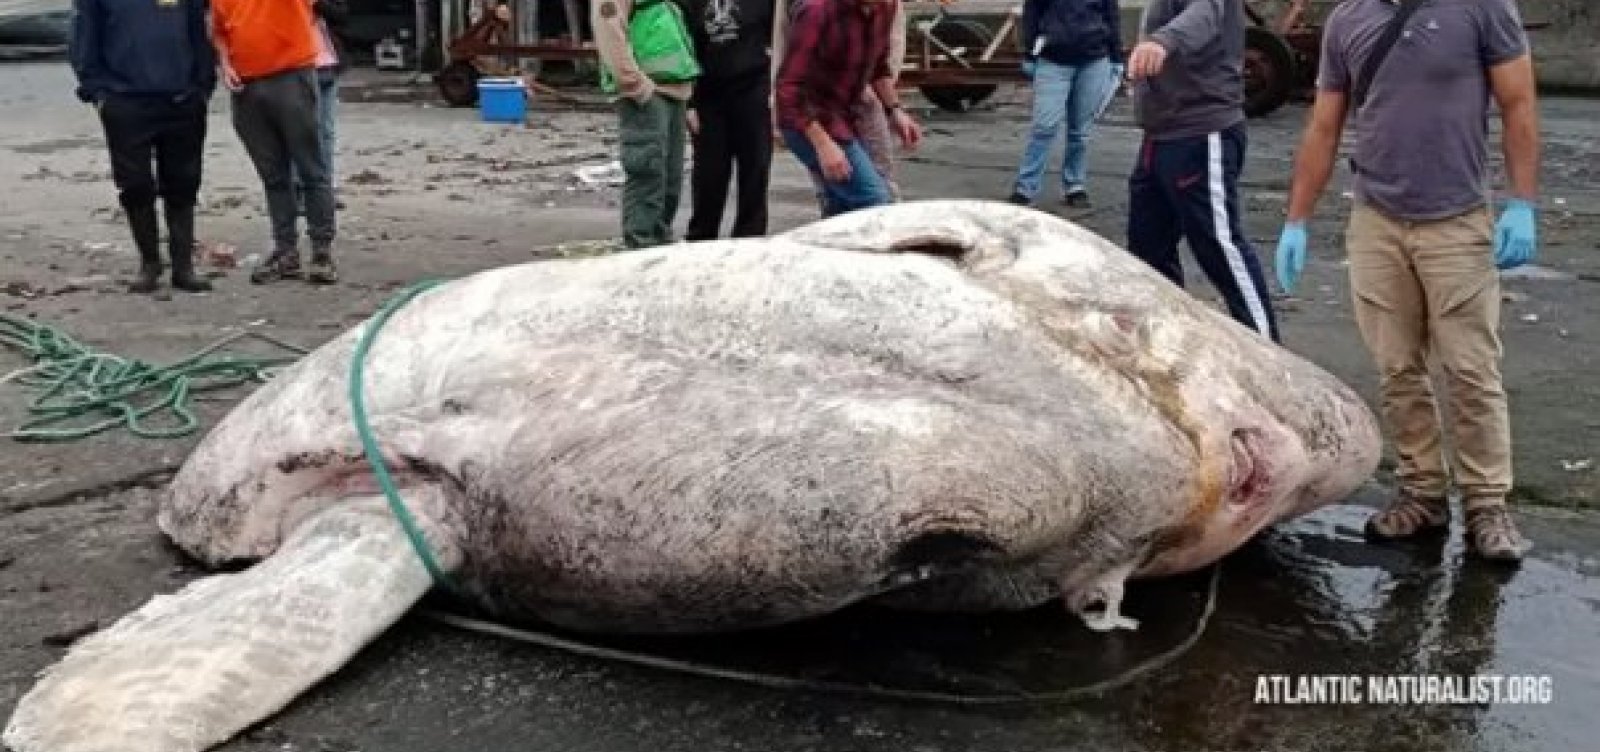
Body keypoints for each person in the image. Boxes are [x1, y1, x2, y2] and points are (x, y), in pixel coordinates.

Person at [1274, 0, 1540, 562]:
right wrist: (1296, 219)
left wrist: (1522, 203)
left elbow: (1518, 102)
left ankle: (1488, 503)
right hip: (1376, 222)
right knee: (1397, 367)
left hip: (1457, 220)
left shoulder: (1483, 7)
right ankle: (1422, 491)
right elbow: (1325, 125)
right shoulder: (1348, 19)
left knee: (1470, 368)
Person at [1123, 0, 1278, 342]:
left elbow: (1204, 14)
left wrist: (1162, 41)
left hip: (1200, 134)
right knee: (1148, 250)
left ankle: (1272, 353)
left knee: (1219, 246)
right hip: (1159, 135)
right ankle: (1166, 341)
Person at [67, 0, 216, 294]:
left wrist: (202, 85)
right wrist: (97, 92)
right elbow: (83, 38)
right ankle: (149, 263)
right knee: (135, 185)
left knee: (184, 182)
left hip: (182, 99)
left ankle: (183, 267)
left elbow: (199, 31)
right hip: (125, 102)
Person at [212, 0, 340, 285]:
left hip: (292, 73)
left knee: (311, 168)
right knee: (273, 175)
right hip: (247, 83)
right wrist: (225, 62)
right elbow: (219, 28)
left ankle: (321, 251)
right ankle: (286, 251)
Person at [774, 0, 922, 218]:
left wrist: (895, 110)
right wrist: (824, 146)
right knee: (874, 201)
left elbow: (879, 67)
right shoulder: (816, 10)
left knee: (843, 206)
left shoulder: (885, 8)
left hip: (847, 112)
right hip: (807, 119)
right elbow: (788, 90)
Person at [593, 0, 700, 249]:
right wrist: (635, 86)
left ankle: (658, 244)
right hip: (647, 91)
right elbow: (609, 30)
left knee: (669, 178)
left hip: (673, 88)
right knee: (647, 174)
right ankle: (640, 246)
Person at [683, 0, 788, 240]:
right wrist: (690, 103)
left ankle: (749, 238)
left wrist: (776, 93)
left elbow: (781, 36)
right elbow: (687, 46)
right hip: (709, 93)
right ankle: (701, 238)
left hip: (753, 87)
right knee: (709, 173)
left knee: (755, 169)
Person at [1007, 0, 1123, 209]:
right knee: (1044, 127)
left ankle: (1075, 185)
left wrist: (1116, 56)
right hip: (1053, 60)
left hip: (1094, 60)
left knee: (1080, 132)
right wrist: (1030, 53)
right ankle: (1026, 187)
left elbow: (1112, 15)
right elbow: (1032, 12)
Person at [292, 0, 350, 215]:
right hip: (298, 65)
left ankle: (323, 189)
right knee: (301, 131)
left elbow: (342, 15)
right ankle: (299, 189)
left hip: (328, 64)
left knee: (325, 132)